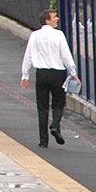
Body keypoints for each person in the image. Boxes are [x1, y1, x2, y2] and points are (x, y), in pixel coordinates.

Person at [20, 10, 80, 148]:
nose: (57, 18)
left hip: (41, 74)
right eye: (54, 17)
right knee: (58, 103)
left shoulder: (34, 35)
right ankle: (55, 125)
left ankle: (43, 141)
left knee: (42, 107)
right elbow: (65, 55)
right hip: (58, 74)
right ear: (47, 20)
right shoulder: (59, 35)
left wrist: (25, 75)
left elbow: (28, 55)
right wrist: (73, 72)